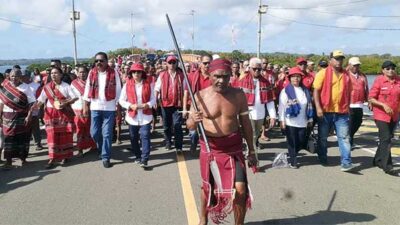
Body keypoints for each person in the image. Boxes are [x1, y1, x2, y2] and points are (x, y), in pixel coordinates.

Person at [186, 58, 257, 225]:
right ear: (210, 75)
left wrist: (252, 151)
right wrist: (193, 121)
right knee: (208, 188)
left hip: (233, 149)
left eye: (225, 76)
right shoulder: (200, 96)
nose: (221, 80)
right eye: (217, 76)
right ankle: (203, 219)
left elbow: (246, 124)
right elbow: (189, 125)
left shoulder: (238, 95)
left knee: (241, 190)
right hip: (211, 149)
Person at [313, 50, 354, 172]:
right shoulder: (323, 73)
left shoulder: (347, 74)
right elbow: (316, 91)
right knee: (323, 137)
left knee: (344, 137)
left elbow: (349, 92)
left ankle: (346, 162)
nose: (339, 61)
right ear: (330, 60)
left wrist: (349, 108)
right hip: (326, 110)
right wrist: (318, 107)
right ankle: (322, 156)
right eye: (336, 58)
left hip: (342, 111)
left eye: (341, 58)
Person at [83, 52, 122, 168]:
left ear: (106, 61)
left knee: (107, 133)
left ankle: (105, 156)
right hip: (95, 107)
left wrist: (118, 107)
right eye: (97, 61)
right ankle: (102, 147)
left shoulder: (114, 72)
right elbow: (87, 89)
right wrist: (85, 106)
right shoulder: (92, 72)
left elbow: (119, 90)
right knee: (94, 133)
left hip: (109, 108)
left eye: (101, 60)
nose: (98, 63)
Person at [236, 57, 276, 166]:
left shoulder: (266, 82)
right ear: (250, 68)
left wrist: (273, 116)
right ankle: (254, 160)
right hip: (247, 114)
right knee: (252, 136)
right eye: (254, 69)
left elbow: (270, 101)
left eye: (259, 69)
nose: (257, 71)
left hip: (260, 115)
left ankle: (249, 151)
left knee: (256, 135)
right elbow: (236, 99)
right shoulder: (242, 81)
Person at [35, 67, 77, 169]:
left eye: (56, 73)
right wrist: (34, 108)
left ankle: (65, 155)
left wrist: (65, 102)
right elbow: (41, 100)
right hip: (51, 113)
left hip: (64, 113)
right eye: (52, 73)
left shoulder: (66, 86)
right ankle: (52, 158)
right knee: (51, 136)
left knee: (65, 134)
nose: (53, 75)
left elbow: (74, 97)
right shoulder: (47, 87)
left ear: (61, 75)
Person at [119, 63, 156, 168]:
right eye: (134, 72)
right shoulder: (127, 85)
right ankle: (138, 156)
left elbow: (153, 99)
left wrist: (148, 105)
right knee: (133, 137)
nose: (136, 74)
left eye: (138, 71)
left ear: (142, 73)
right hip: (132, 117)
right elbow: (121, 100)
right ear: (131, 73)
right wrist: (130, 106)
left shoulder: (148, 84)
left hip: (145, 115)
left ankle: (145, 159)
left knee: (145, 136)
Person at [368, 60, 400, 176]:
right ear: (383, 70)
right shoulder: (379, 81)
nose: (391, 70)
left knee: (386, 138)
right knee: (386, 139)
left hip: (395, 115)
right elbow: (371, 98)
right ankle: (388, 166)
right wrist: (383, 105)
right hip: (381, 115)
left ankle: (377, 160)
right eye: (387, 68)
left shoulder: (398, 80)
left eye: (392, 68)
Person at [278, 67, 313, 168]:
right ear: (290, 78)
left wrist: (310, 119)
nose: (296, 79)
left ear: (301, 78)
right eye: (293, 77)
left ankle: (293, 154)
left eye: (298, 77)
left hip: (303, 121)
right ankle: (293, 161)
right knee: (292, 142)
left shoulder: (305, 90)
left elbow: (309, 105)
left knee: (301, 141)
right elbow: (281, 107)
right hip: (290, 121)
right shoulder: (286, 91)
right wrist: (281, 120)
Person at [0, 69, 35, 169]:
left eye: (16, 76)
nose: (14, 78)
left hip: (22, 116)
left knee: (22, 138)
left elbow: (32, 103)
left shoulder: (26, 87)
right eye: (12, 76)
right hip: (7, 116)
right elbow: (1, 103)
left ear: (21, 77)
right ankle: (8, 162)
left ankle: (23, 159)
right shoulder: (5, 88)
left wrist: (29, 116)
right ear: (9, 76)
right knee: (8, 139)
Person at [154, 55, 184, 152]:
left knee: (177, 125)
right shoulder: (162, 75)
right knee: (166, 125)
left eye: (173, 62)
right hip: (165, 104)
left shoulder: (181, 75)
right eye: (170, 62)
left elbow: (185, 90)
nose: (172, 64)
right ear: (166, 64)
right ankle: (168, 141)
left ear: (176, 63)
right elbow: (157, 89)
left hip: (177, 104)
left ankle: (178, 146)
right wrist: (155, 101)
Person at [183, 54, 212, 153]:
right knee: (193, 130)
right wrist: (184, 108)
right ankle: (193, 143)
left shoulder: (214, 77)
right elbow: (186, 92)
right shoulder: (192, 76)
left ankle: (206, 148)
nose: (207, 65)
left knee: (207, 131)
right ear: (200, 64)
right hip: (194, 106)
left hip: (210, 107)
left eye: (209, 63)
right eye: (205, 63)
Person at [71, 66, 97, 157]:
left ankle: (93, 146)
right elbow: (72, 97)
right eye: (80, 72)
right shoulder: (73, 84)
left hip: (91, 108)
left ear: (87, 72)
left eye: (84, 72)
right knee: (80, 129)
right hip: (78, 109)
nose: (82, 74)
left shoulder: (91, 82)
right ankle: (80, 149)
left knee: (91, 128)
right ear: (77, 73)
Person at [347, 57, 368, 148]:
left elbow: (366, 89)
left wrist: (368, 100)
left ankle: (349, 136)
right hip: (349, 104)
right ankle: (349, 142)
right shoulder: (345, 75)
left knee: (358, 122)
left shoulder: (362, 75)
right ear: (350, 65)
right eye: (354, 65)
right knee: (350, 123)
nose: (356, 67)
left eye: (358, 65)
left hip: (359, 104)